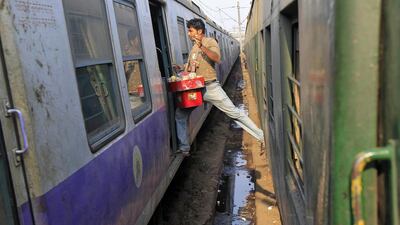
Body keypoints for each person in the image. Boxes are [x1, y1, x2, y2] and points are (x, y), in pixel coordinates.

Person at [175, 18, 264, 155]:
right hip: (195, 89)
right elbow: (191, 66)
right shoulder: (193, 47)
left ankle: (260, 135)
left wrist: (202, 47)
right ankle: (184, 147)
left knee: (233, 112)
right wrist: (181, 67)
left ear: (199, 31)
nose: (188, 33)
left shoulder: (210, 42)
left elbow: (216, 58)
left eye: (190, 30)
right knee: (180, 115)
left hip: (210, 87)